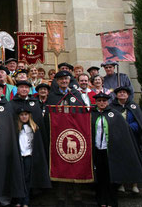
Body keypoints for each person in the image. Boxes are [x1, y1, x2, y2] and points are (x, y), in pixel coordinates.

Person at [91, 92, 142, 207]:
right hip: (97, 150)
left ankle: (112, 201)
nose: (101, 103)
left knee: (111, 177)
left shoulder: (115, 114)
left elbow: (123, 132)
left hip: (111, 150)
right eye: (99, 101)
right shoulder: (92, 114)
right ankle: (101, 200)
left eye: (104, 101)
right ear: (96, 102)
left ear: (107, 102)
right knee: (100, 177)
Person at [110, 86, 142, 193]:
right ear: (116, 95)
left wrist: (127, 127)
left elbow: (139, 123)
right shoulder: (112, 107)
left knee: (134, 160)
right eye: (120, 93)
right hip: (119, 139)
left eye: (124, 92)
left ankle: (134, 184)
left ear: (128, 95)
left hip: (133, 138)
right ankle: (121, 184)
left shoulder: (134, 106)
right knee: (121, 161)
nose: (122, 94)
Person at [45, 70, 84, 207]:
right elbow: (48, 116)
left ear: (69, 80)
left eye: (66, 79)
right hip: (58, 136)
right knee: (61, 164)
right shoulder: (52, 96)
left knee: (75, 163)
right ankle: (61, 194)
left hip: (74, 134)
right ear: (57, 81)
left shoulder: (76, 94)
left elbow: (83, 113)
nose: (64, 81)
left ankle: (77, 194)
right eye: (61, 79)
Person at [15, 106, 51, 207]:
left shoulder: (34, 128)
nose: (24, 117)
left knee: (27, 178)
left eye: (26, 115)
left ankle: (25, 200)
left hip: (29, 156)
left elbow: (37, 144)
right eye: (22, 115)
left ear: (29, 116)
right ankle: (19, 199)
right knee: (19, 178)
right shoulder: (16, 128)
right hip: (19, 156)